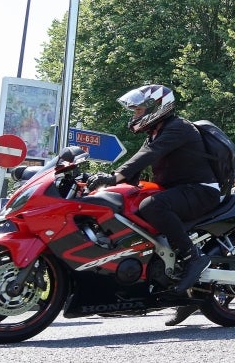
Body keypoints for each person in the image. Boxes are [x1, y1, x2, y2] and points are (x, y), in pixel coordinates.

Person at [87, 85, 220, 295]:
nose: (135, 114)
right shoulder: (156, 132)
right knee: (133, 204)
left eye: (138, 110)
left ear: (156, 107)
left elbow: (148, 155)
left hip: (201, 190)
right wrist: (95, 180)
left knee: (152, 205)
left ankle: (192, 257)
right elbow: (136, 165)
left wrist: (113, 177)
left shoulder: (178, 127)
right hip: (180, 191)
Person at [167, 155, 235, 326]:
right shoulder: (234, 190)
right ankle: (192, 297)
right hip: (228, 233)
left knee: (215, 262)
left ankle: (213, 301)